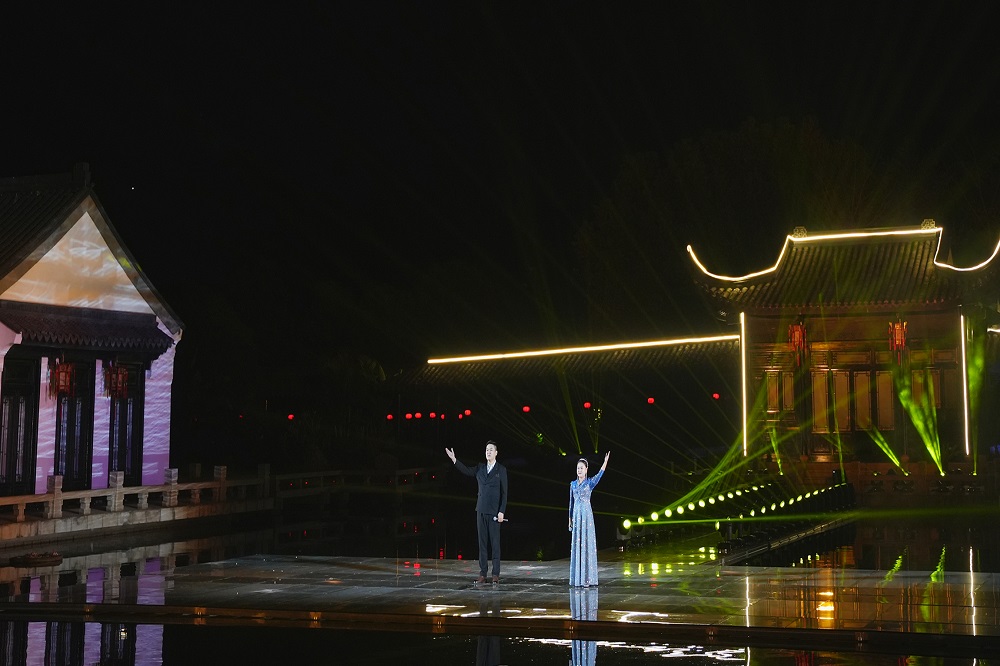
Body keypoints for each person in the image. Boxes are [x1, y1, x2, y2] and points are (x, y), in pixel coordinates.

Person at [445, 440, 508, 584]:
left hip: (494, 513)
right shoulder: (480, 468)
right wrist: (454, 460)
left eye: (491, 449)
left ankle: (495, 574)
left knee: (495, 544)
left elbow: (504, 493)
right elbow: (467, 471)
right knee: (482, 544)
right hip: (480, 510)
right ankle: (483, 574)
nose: (488, 452)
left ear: (496, 453)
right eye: (487, 450)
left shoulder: (501, 470)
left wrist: (501, 511)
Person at [568, 451, 609, 587]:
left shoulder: (590, 483)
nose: (579, 470)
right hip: (576, 515)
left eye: (581, 468)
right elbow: (571, 503)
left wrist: (604, 463)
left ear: (586, 470)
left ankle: (587, 578)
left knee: (586, 544)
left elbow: (599, 475)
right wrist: (570, 519)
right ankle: (577, 579)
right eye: (578, 468)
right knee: (577, 545)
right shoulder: (573, 484)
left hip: (586, 516)